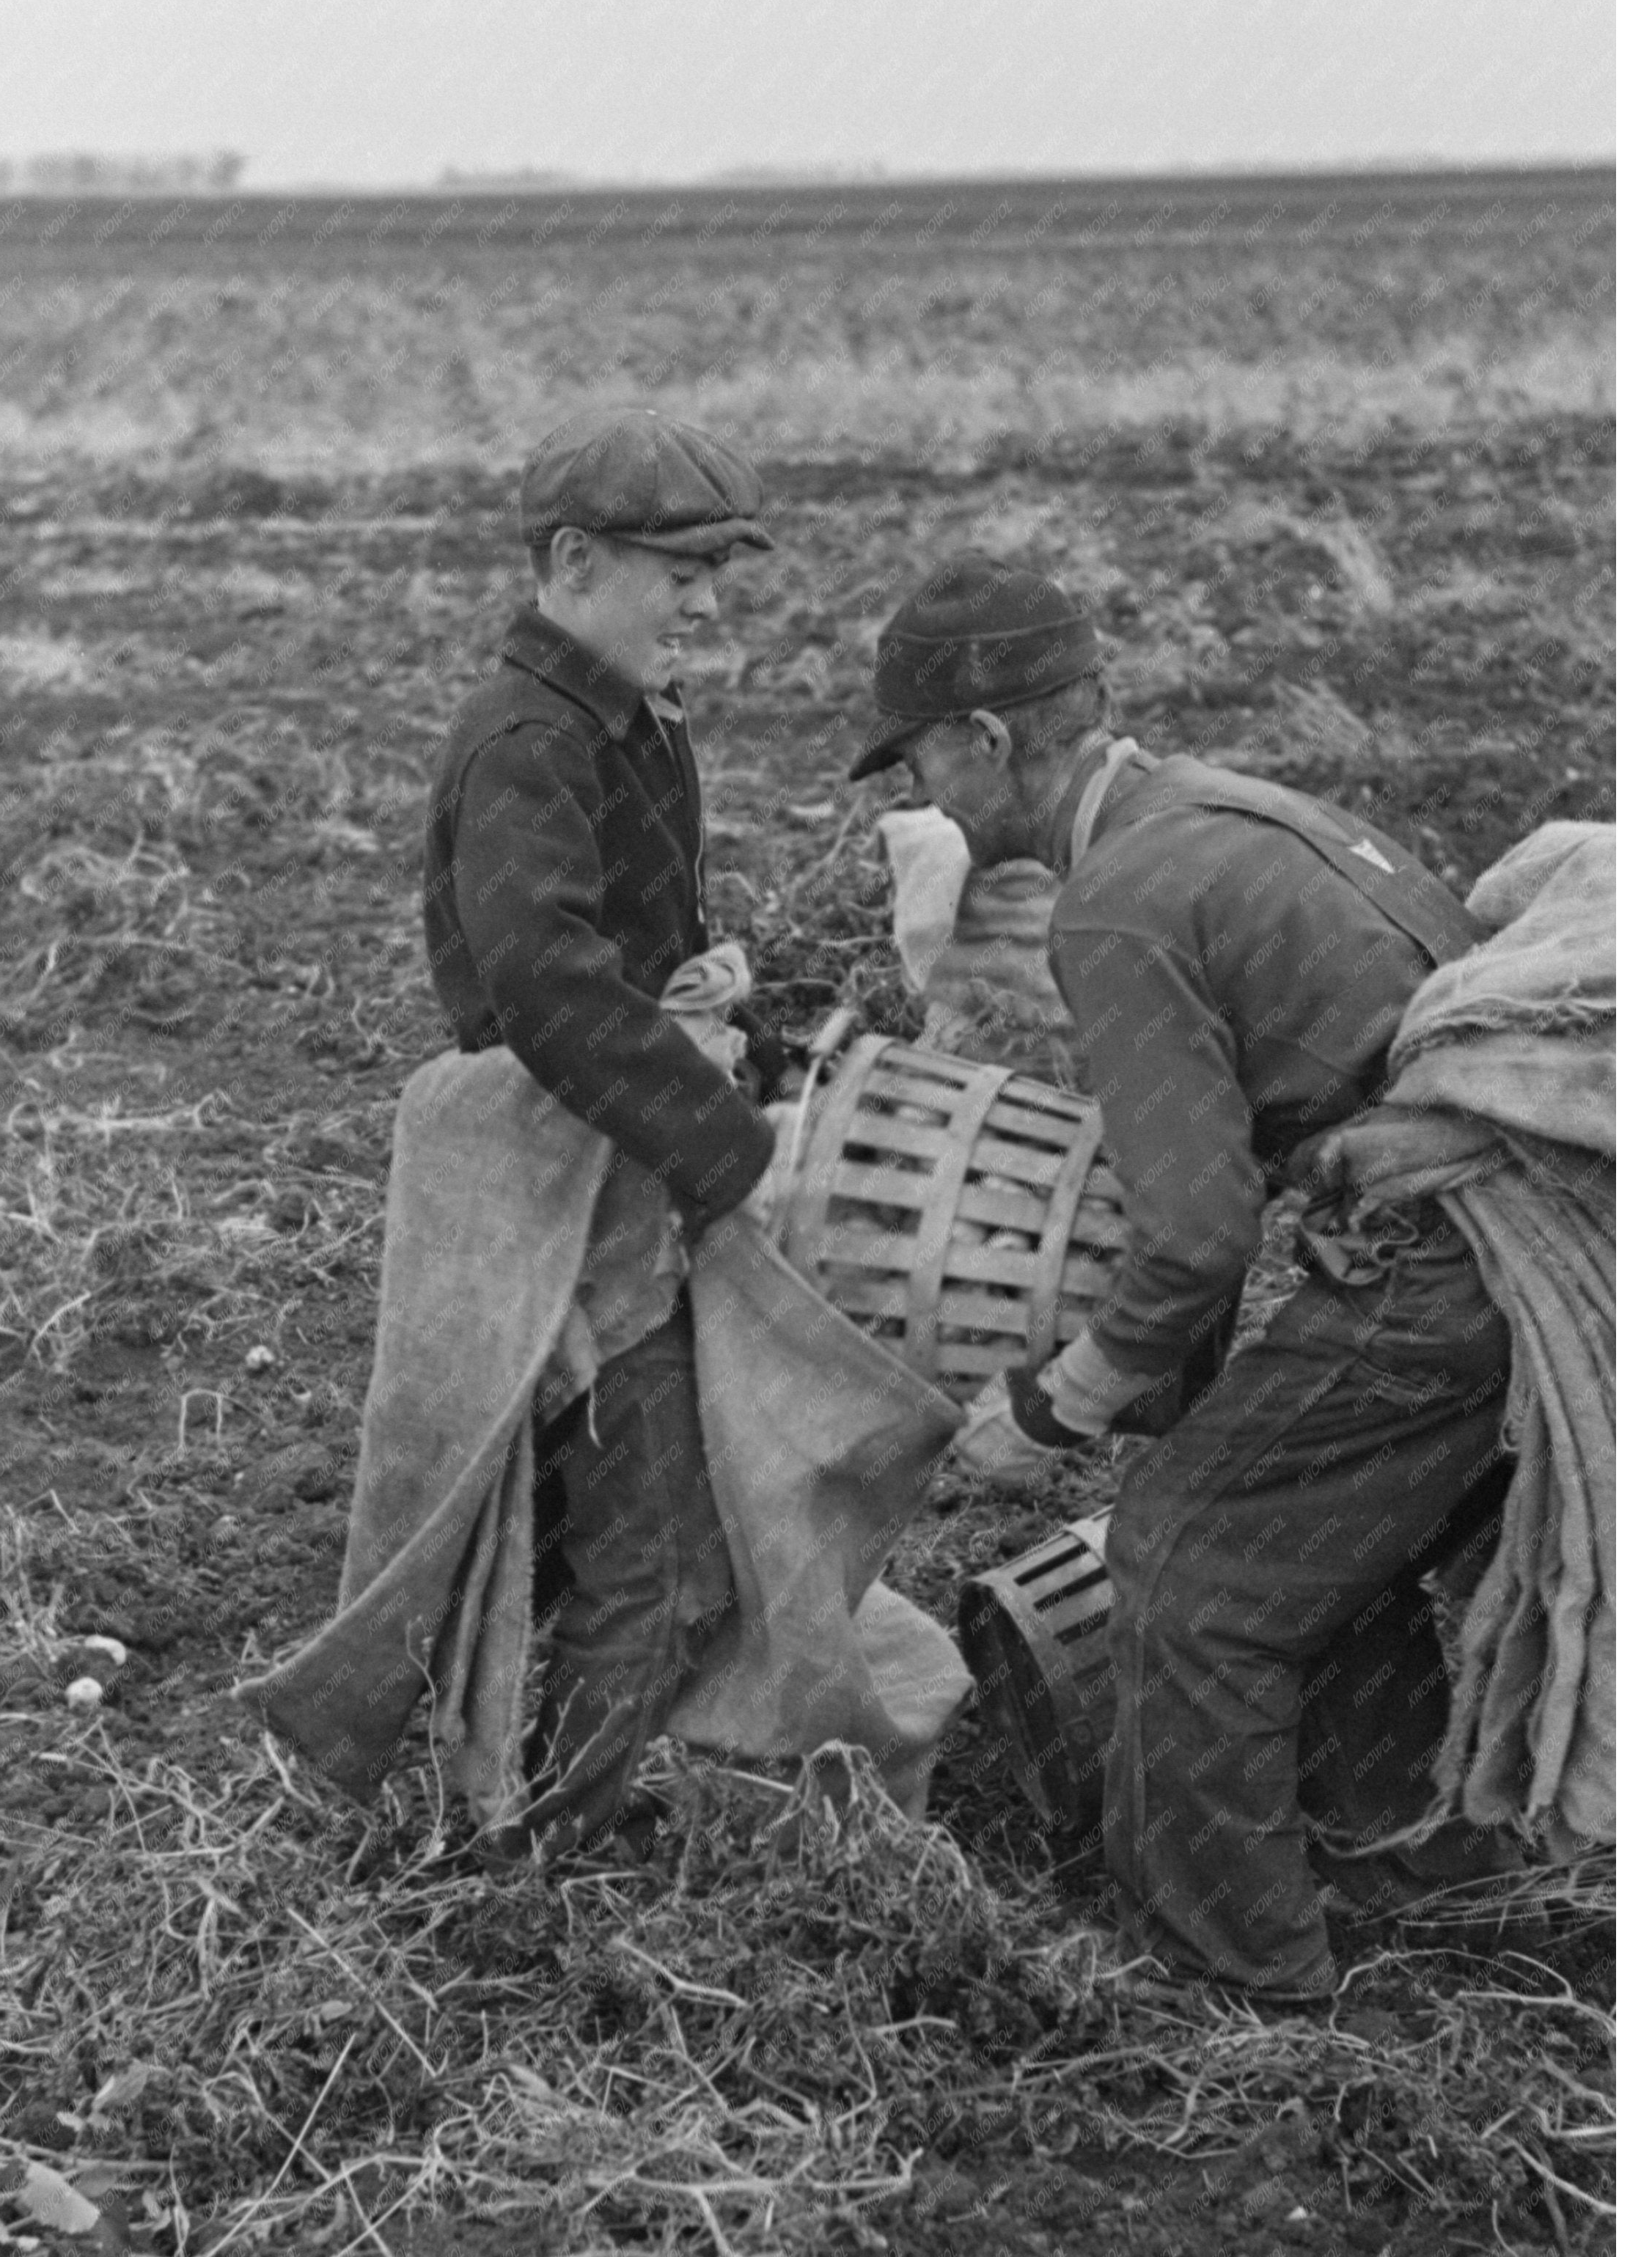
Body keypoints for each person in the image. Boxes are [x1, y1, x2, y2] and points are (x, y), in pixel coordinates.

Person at [848, 552, 1517, 1997]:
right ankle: (1402, 1866)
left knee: (1182, 1566)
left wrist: (1049, 1410)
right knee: (1317, 1541)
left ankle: (1232, 1973)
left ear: (985, 741)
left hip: (1440, 1266)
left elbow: (1196, 1230)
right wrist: (1171, 1395)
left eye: (918, 769)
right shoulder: (1221, 810)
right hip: (1529, 1247)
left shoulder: (1115, 909)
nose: (925, 808)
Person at [422, 406, 782, 1862]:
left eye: (718, 574)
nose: (702, 601)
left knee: (595, 1522)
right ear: (573, 559)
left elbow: (608, 951)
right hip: (569, 1186)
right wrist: (729, 1151)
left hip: (618, 1156)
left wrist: (691, 980)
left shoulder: (620, 718)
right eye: (677, 569)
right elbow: (543, 986)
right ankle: (545, 1866)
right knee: (634, 1536)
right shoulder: (528, 740)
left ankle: (520, 1792)